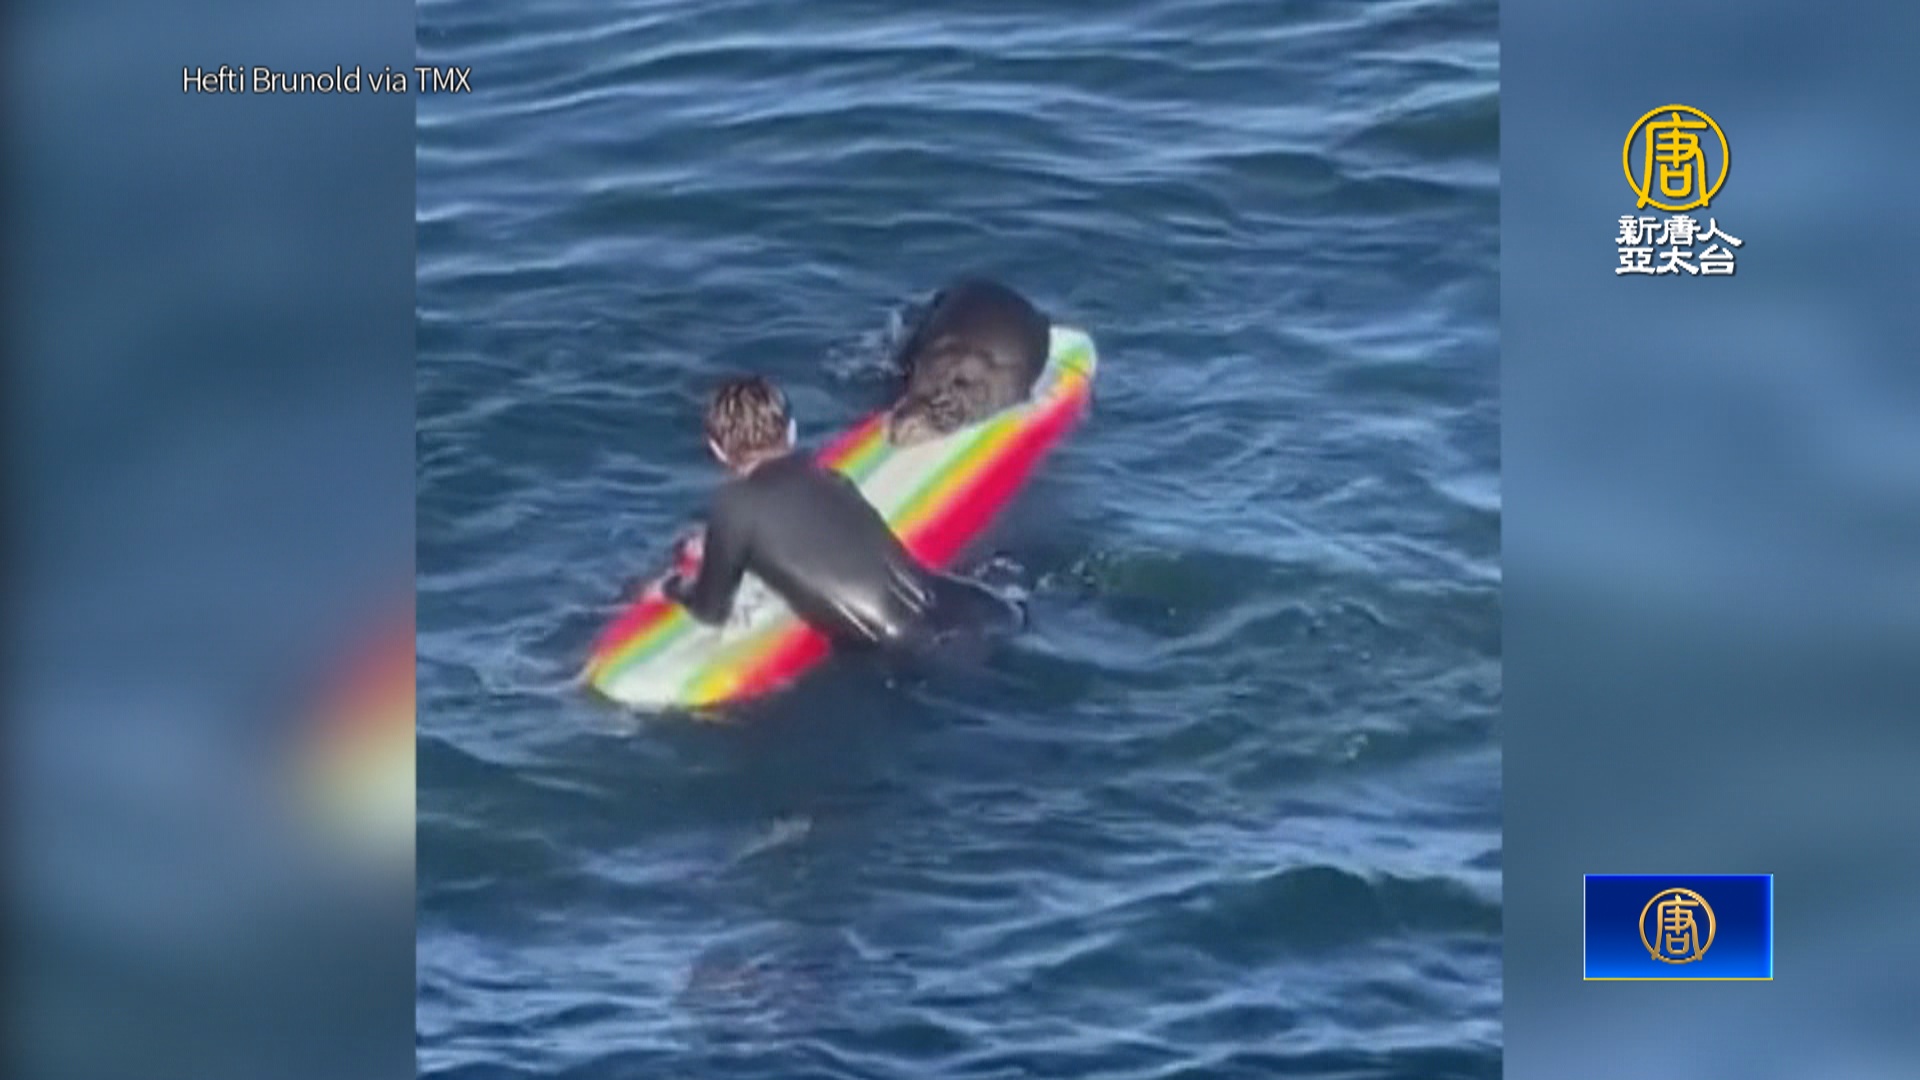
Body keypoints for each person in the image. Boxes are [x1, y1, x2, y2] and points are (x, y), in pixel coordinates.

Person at [661, 375, 1021, 651]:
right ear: (791, 432)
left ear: (717, 450)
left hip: (897, 648)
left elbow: (711, 611)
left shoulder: (733, 506)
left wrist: (675, 586)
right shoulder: (831, 478)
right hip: (963, 602)